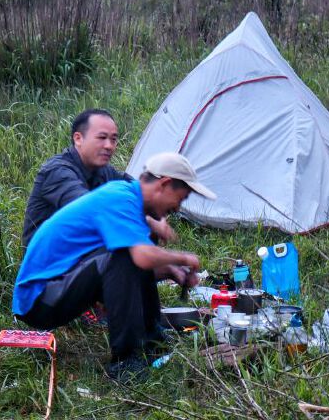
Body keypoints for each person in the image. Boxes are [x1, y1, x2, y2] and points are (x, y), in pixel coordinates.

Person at [13, 152, 216, 381]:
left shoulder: (130, 201)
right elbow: (138, 259)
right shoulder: (120, 198)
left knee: (135, 251)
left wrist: (171, 270)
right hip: (39, 300)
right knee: (125, 256)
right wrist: (183, 259)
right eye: (181, 198)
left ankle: (152, 342)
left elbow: (139, 265)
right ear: (165, 184)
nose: (178, 208)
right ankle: (126, 362)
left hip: (60, 287)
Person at [22, 109, 174, 248]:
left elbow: (139, 190)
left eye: (113, 139)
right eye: (102, 137)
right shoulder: (57, 171)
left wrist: (156, 213)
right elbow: (88, 210)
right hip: (49, 260)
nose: (109, 146)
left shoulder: (103, 170)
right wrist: (147, 220)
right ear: (78, 139)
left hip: (78, 249)